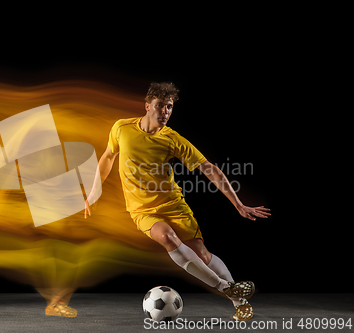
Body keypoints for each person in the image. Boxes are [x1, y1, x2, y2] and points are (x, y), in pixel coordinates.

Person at [84, 82, 270, 321]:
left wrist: (238, 203)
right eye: (160, 106)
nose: (165, 112)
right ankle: (226, 288)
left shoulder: (172, 139)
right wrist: (93, 192)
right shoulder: (121, 128)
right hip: (142, 210)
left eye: (169, 107)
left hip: (173, 204)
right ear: (147, 106)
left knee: (202, 255)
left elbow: (209, 169)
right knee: (166, 236)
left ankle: (239, 302)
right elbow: (108, 157)